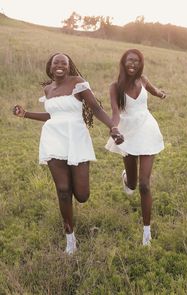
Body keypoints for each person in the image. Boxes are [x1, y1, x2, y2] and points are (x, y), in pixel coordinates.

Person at [13, 52, 124, 254]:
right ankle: (70, 239)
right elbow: (52, 115)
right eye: (56, 63)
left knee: (81, 195)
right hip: (53, 139)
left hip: (76, 138)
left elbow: (96, 109)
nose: (60, 65)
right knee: (63, 191)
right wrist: (26, 114)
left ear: (69, 66)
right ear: (50, 66)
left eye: (64, 63)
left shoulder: (78, 83)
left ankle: (73, 181)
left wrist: (112, 127)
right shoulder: (48, 89)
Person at [105, 48, 166, 246]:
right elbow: (115, 112)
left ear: (141, 64)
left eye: (137, 61)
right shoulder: (115, 87)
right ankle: (125, 177)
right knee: (131, 184)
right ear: (123, 63)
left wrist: (160, 94)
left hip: (147, 128)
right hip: (127, 132)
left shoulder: (143, 80)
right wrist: (114, 128)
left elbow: (154, 90)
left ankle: (146, 234)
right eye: (130, 60)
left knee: (144, 184)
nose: (133, 64)